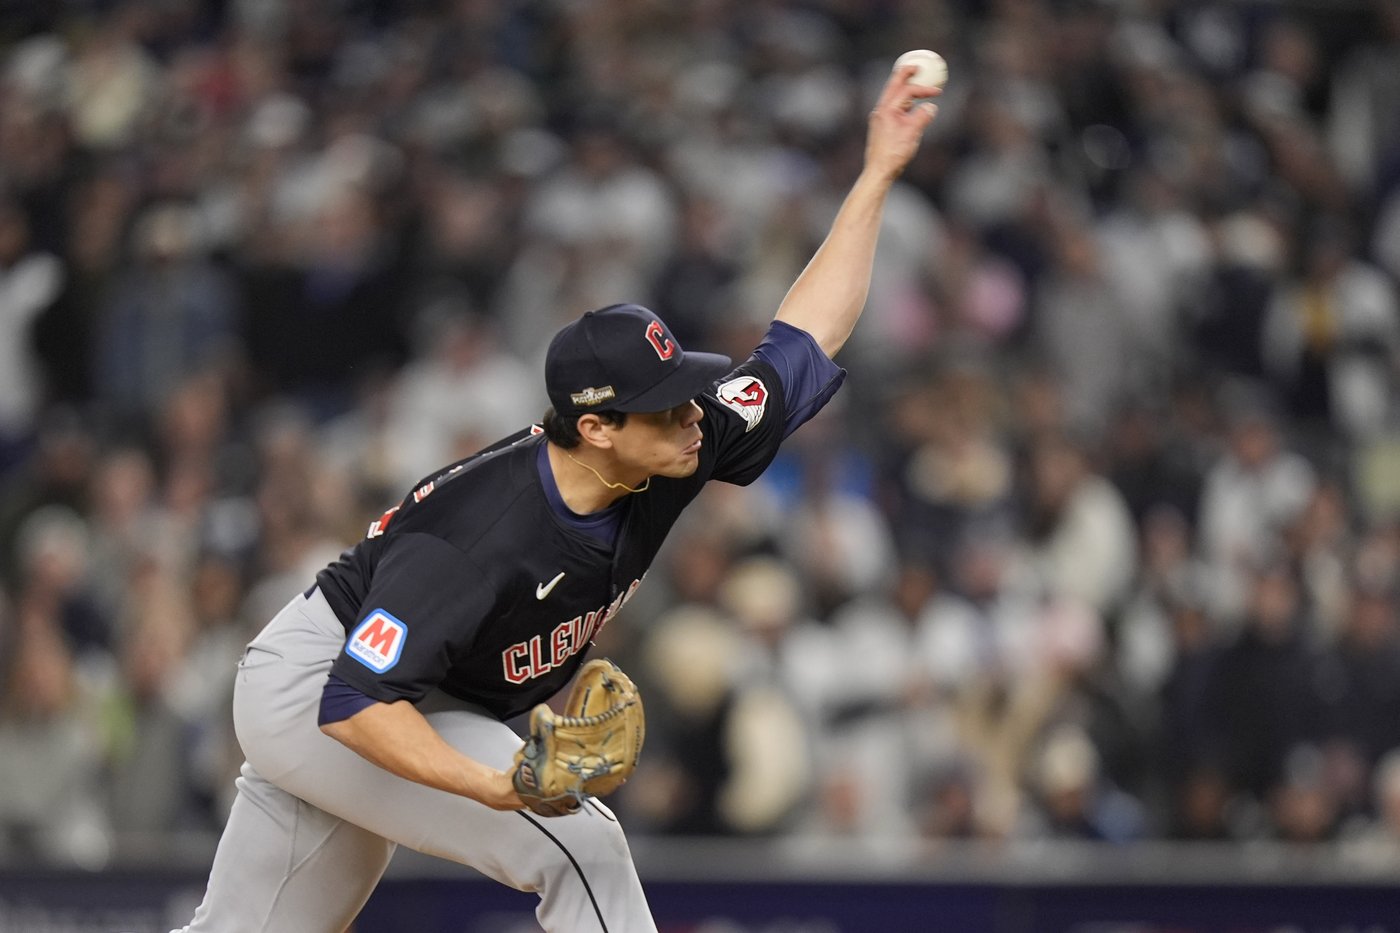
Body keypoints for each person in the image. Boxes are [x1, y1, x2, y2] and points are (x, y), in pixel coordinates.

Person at [174, 64, 940, 933]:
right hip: (327, 691)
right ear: (600, 428)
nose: (696, 416)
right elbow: (355, 701)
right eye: (668, 404)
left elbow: (803, 339)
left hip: (418, 690)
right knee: (580, 842)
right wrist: (499, 783)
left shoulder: (679, 445)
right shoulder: (482, 532)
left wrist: (878, 172)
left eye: (690, 392)